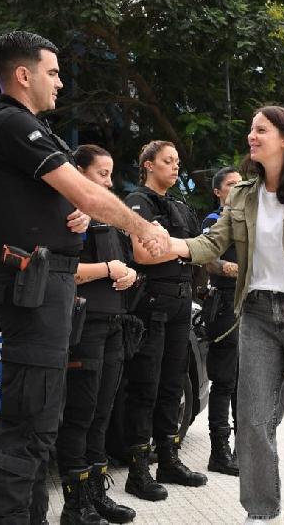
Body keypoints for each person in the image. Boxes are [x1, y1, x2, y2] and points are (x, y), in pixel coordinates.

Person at [0, 31, 168, 525]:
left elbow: (56, 200)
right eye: (53, 72)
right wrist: (142, 227)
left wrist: (68, 216)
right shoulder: (11, 123)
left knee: (41, 423)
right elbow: (86, 191)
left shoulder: (27, 128)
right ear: (23, 75)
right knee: (28, 424)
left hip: (48, 290)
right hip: (33, 290)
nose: (59, 83)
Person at [166, 105, 284, 524]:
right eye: (251, 130)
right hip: (256, 315)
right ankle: (260, 512)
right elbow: (210, 243)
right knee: (254, 421)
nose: (252, 136)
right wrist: (171, 246)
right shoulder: (241, 195)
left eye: (261, 130)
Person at [54, 145, 138, 524]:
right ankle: (75, 504)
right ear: (78, 172)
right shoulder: (67, 214)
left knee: (103, 413)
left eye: (110, 174)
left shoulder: (107, 219)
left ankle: (96, 495)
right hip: (84, 327)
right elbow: (62, 272)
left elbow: (127, 264)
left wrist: (129, 273)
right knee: (81, 414)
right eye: (102, 174)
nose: (109, 181)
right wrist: (107, 268)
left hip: (114, 325)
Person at [121, 140, 208, 502]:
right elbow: (143, 253)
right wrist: (182, 249)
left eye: (177, 161)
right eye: (167, 161)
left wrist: (171, 246)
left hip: (181, 303)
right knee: (146, 386)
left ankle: (169, 460)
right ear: (148, 165)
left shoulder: (180, 206)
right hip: (151, 303)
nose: (175, 166)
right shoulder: (137, 202)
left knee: (173, 384)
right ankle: (138, 471)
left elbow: (199, 250)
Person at [200, 166, 243, 477]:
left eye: (241, 183)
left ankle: (245, 449)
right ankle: (219, 452)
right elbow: (208, 260)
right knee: (225, 381)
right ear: (218, 192)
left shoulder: (249, 220)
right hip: (225, 306)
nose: (238, 188)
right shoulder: (213, 221)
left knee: (246, 383)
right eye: (231, 184)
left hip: (250, 306)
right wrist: (242, 270)